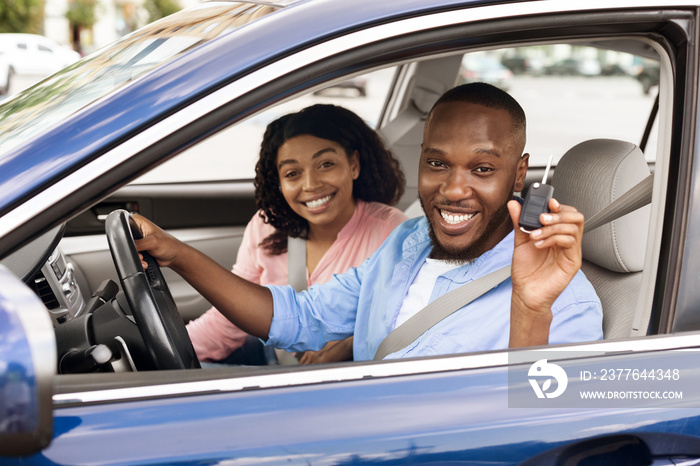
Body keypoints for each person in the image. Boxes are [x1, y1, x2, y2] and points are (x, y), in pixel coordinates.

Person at [135, 82, 603, 361]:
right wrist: (175, 253)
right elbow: (301, 316)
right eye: (438, 164)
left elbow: (548, 421)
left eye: (482, 169)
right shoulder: (408, 241)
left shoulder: (563, 297)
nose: (455, 189)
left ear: (519, 173)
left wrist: (532, 309)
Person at [185, 104, 408, 364]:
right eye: (293, 173)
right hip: (276, 359)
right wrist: (160, 355)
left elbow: (404, 320)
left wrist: (349, 344)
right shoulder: (266, 225)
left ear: (353, 165)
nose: (311, 184)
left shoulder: (390, 230)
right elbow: (226, 323)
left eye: (326, 164)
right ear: (280, 183)